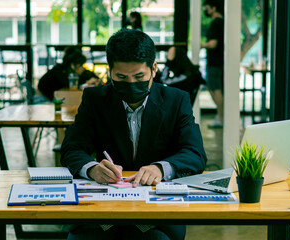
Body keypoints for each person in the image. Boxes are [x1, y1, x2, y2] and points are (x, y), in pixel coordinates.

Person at [61, 29, 207, 240]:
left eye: (139, 76)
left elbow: (195, 153)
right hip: (102, 210)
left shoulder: (176, 100)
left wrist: (160, 168)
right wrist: (92, 169)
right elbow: (72, 148)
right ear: (109, 71)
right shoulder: (95, 99)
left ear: (154, 69)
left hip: (156, 215)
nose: (131, 84)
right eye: (121, 77)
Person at [201, 0, 224, 128]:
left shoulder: (216, 23)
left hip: (214, 62)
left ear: (213, 8)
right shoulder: (223, 22)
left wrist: (200, 45)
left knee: (215, 89)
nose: (205, 10)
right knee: (217, 89)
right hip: (220, 62)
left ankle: (220, 117)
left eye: (207, 7)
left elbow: (213, 43)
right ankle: (221, 116)